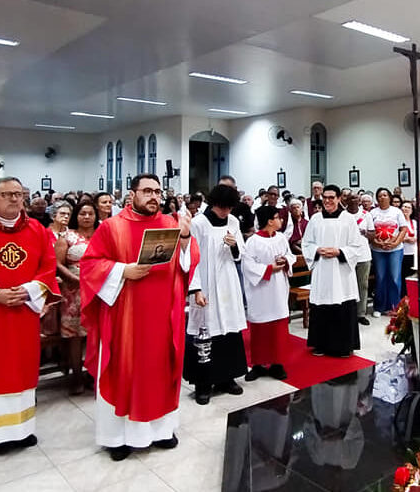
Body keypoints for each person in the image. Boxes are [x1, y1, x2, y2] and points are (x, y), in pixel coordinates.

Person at [80, 173, 199, 461]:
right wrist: (122, 271)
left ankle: (160, 431)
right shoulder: (111, 227)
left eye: (157, 192)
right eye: (147, 191)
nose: (154, 197)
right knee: (125, 371)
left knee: (160, 369)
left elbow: (189, 261)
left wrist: (184, 238)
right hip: (125, 318)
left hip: (162, 318)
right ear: (133, 195)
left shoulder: (170, 224)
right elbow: (90, 264)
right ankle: (117, 438)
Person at [0, 177, 60, 463]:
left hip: (24, 313)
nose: (14, 199)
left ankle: (21, 430)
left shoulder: (37, 230)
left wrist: (31, 289)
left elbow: (48, 267)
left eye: (17, 194)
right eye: (6, 194)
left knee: (21, 369)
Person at [184, 184, 248, 405]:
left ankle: (227, 378)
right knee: (206, 332)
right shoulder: (198, 224)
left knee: (229, 330)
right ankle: (203, 383)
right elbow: (190, 258)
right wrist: (196, 289)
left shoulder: (234, 222)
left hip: (228, 282)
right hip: (206, 284)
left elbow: (241, 253)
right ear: (213, 204)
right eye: (222, 208)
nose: (226, 213)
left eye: (230, 208)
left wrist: (234, 247)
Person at [302, 185, 363, 357]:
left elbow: (356, 246)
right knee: (321, 305)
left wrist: (340, 252)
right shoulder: (315, 219)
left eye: (331, 197)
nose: (327, 200)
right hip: (322, 268)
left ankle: (344, 346)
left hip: (341, 270)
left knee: (342, 304)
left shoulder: (348, 219)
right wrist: (317, 250)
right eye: (325, 197)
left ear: (338, 199)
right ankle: (320, 344)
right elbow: (306, 243)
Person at [242, 206, 296, 381]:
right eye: (277, 217)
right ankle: (258, 364)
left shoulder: (281, 238)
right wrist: (269, 269)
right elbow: (247, 266)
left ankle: (277, 364)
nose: (281, 220)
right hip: (260, 290)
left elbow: (290, 255)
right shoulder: (253, 242)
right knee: (260, 328)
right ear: (269, 221)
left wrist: (285, 260)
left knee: (278, 327)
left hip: (278, 288)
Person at [56, 202, 100, 394]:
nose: (87, 217)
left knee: (96, 334)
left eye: (90, 213)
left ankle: (93, 374)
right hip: (74, 290)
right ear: (77, 216)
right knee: (75, 335)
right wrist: (74, 278)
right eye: (83, 213)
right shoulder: (67, 236)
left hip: (100, 289)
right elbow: (57, 263)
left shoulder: (102, 234)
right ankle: (75, 376)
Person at [369, 188, 407, 317]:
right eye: (379, 195)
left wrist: (395, 242)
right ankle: (379, 307)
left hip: (395, 249)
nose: (382, 197)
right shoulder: (373, 212)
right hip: (378, 250)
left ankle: (394, 307)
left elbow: (403, 229)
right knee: (380, 277)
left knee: (394, 278)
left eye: (385, 195)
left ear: (390, 197)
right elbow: (369, 231)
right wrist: (376, 242)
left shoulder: (397, 212)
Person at [346, 194, 374, 326]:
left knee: (363, 284)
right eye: (351, 198)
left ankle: (361, 313)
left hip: (363, 255)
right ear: (346, 201)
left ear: (359, 201)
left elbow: (373, 234)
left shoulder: (366, 215)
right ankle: (348, 312)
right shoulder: (342, 215)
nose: (354, 201)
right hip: (347, 255)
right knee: (347, 285)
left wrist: (365, 233)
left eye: (356, 199)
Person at [400, 201, 417, 295]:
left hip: (413, 252)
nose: (405, 209)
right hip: (402, 252)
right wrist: (405, 239)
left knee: (411, 275)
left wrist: (414, 239)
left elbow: (418, 235)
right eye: (404, 206)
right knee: (403, 275)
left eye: (408, 207)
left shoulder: (414, 222)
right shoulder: (398, 222)